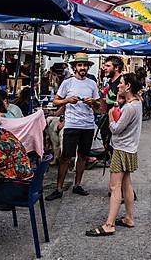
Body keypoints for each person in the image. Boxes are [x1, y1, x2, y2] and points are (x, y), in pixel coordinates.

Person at [85, 73, 142, 237]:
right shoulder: (136, 103)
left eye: (121, 83)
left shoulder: (131, 107)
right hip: (129, 148)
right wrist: (118, 99)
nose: (118, 85)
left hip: (122, 149)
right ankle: (129, 218)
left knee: (114, 186)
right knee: (126, 184)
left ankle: (109, 224)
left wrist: (110, 117)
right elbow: (120, 106)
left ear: (128, 86)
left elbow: (116, 128)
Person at [46, 53, 100, 200]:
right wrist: (67, 100)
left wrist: (92, 102)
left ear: (88, 67)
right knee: (65, 157)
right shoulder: (67, 83)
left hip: (88, 125)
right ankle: (59, 187)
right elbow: (55, 102)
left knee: (83, 156)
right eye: (80, 65)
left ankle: (77, 185)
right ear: (74, 67)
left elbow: (99, 106)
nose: (83, 68)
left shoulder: (92, 84)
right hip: (71, 124)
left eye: (85, 65)